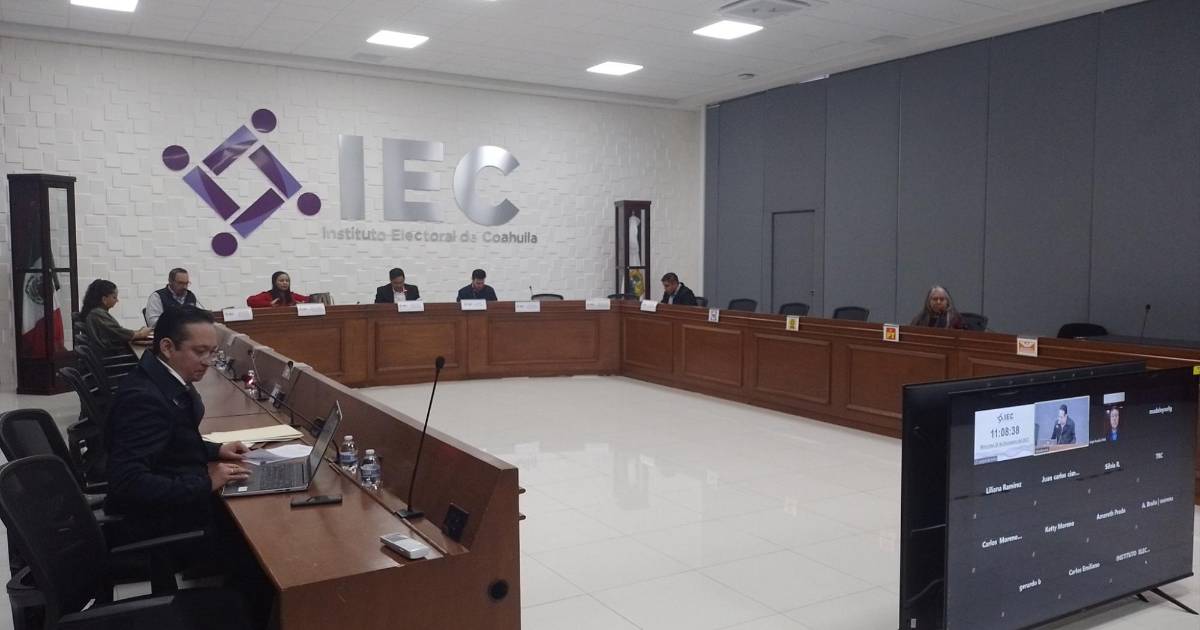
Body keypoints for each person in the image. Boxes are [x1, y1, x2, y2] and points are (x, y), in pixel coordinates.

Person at [105, 305, 250, 542]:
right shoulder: (144, 399)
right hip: (162, 523)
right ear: (167, 347)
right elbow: (127, 482)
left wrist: (216, 450)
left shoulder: (162, 377)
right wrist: (205, 483)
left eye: (213, 352)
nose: (208, 362)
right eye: (200, 352)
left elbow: (171, 442)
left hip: (176, 498)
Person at [81, 279, 152, 351]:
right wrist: (140, 334)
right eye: (114, 297)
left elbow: (117, 331)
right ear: (104, 299)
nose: (117, 300)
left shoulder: (94, 313)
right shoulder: (98, 314)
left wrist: (138, 332)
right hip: (112, 354)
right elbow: (118, 333)